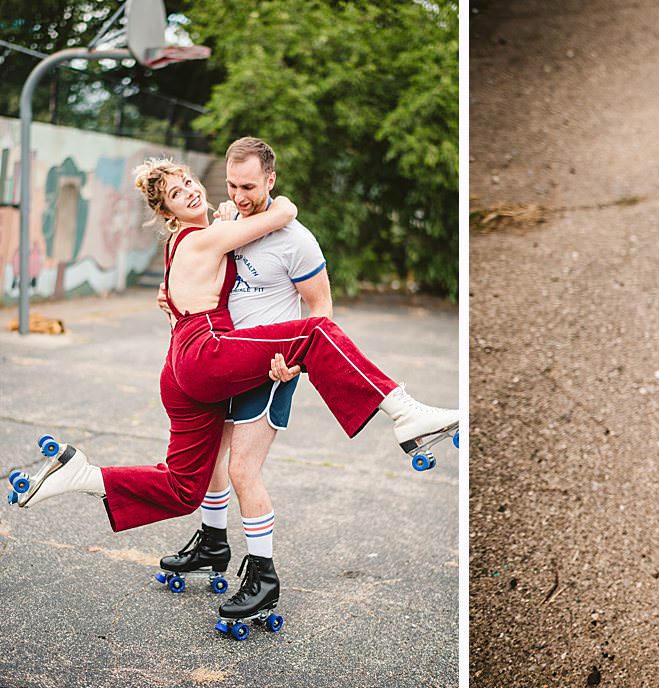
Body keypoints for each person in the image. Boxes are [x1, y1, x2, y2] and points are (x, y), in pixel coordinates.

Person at [12, 157, 459, 630]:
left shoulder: (190, 239)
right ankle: (401, 410)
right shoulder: (206, 236)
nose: (187, 190)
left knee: (186, 486)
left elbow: (195, 278)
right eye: (175, 193)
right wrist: (280, 202)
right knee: (314, 334)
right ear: (167, 212)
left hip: (181, 366)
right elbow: (281, 215)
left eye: (188, 181)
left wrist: (224, 219)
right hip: (206, 352)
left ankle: (84, 475)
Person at [152, 137, 334, 623]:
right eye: (231, 185)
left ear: (271, 180)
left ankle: (264, 576)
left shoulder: (296, 238)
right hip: (227, 358)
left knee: (242, 471)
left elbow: (321, 312)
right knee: (213, 459)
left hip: (271, 366)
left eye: (249, 186)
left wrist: (294, 364)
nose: (239, 195)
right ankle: (213, 543)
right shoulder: (230, 222)